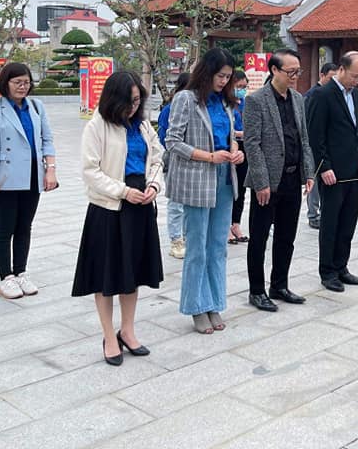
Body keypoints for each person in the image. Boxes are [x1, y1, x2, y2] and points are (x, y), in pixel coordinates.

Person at [72, 71, 164, 366]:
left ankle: (127, 330)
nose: (134, 107)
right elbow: (90, 171)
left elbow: (157, 157)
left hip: (140, 203)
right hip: (109, 208)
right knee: (106, 274)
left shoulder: (142, 125)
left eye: (138, 101)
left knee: (133, 272)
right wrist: (122, 191)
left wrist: (153, 185)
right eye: (130, 101)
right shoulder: (97, 126)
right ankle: (108, 336)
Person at [165, 48, 244, 335]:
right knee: (197, 247)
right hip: (198, 179)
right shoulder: (186, 99)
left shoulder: (226, 103)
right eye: (220, 76)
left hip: (224, 178)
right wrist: (209, 157)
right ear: (207, 72)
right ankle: (196, 305)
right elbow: (173, 141)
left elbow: (231, 137)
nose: (224, 81)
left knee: (218, 246)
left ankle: (214, 302)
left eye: (228, 77)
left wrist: (236, 151)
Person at [243, 49, 315, 311]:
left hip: (292, 178)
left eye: (298, 71)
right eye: (290, 72)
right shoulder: (256, 100)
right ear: (274, 70)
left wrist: (308, 173)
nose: (295, 76)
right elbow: (252, 144)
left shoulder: (297, 99)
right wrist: (261, 182)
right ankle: (256, 290)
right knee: (259, 237)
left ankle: (279, 285)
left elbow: (303, 138)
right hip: (268, 182)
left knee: (286, 236)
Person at [0, 62, 58, 300]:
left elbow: (47, 140)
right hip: (5, 177)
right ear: (6, 83)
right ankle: (6, 277)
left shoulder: (36, 106)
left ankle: (21, 272)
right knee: (5, 229)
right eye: (17, 82)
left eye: (26, 82)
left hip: (32, 175)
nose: (23, 87)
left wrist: (50, 170)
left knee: (24, 227)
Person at [306, 51, 358, 292]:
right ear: (341, 70)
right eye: (354, 76)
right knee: (331, 222)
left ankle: (342, 266)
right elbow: (315, 135)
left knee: (348, 221)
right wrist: (324, 167)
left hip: (355, 168)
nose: (357, 81)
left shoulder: (355, 95)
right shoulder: (322, 95)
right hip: (333, 171)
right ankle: (328, 271)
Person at [157, 72, 190, 259]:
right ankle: (176, 240)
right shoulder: (169, 109)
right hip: (174, 159)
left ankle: (186, 236)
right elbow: (164, 137)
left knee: (189, 204)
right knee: (176, 203)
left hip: (194, 162)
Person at [303, 62, 338, 229]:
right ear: (322, 75)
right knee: (315, 181)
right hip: (312, 145)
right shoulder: (313, 95)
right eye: (330, 78)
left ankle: (324, 212)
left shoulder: (331, 94)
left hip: (328, 146)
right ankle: (313, 215)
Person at [229, 70, 250, 245]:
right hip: (230, 148)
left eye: (244, 87)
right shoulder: (226, 104)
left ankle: (236, 223)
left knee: (241, 188)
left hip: (245, 148)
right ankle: (226, 226)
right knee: (229, 188)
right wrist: (238, 133)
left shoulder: (245, 103)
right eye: (239, 86)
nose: (242, 90)